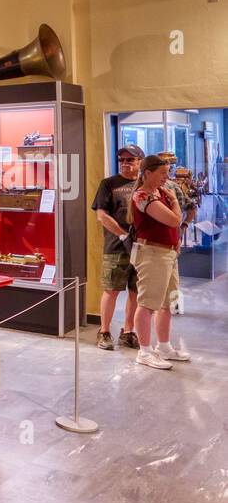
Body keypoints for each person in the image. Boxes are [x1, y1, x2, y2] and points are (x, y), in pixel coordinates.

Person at [130, 155, 192, 371]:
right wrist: (175, 202)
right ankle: (144, 351)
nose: (167, 177)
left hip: (168, 254)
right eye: (162, 173)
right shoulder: (142, 196)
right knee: (147, 304)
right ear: (147, 173)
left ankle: (163, 346)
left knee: (167, 303)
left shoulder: (160, 193)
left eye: (167, 173)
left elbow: (173, 225)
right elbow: (174, 220)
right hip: (152, 254)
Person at [91, 143, 142, 350]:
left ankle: (128, 331)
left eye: (130, 159)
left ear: (140, 161)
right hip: (116, 247)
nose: (125, 163)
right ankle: (104, 331)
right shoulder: (108, 184)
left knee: (136, 291)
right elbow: (101, 215)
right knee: (111, 290)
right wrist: (122, 235)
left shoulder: (145, 185)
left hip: (143, 248)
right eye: (121, 160)